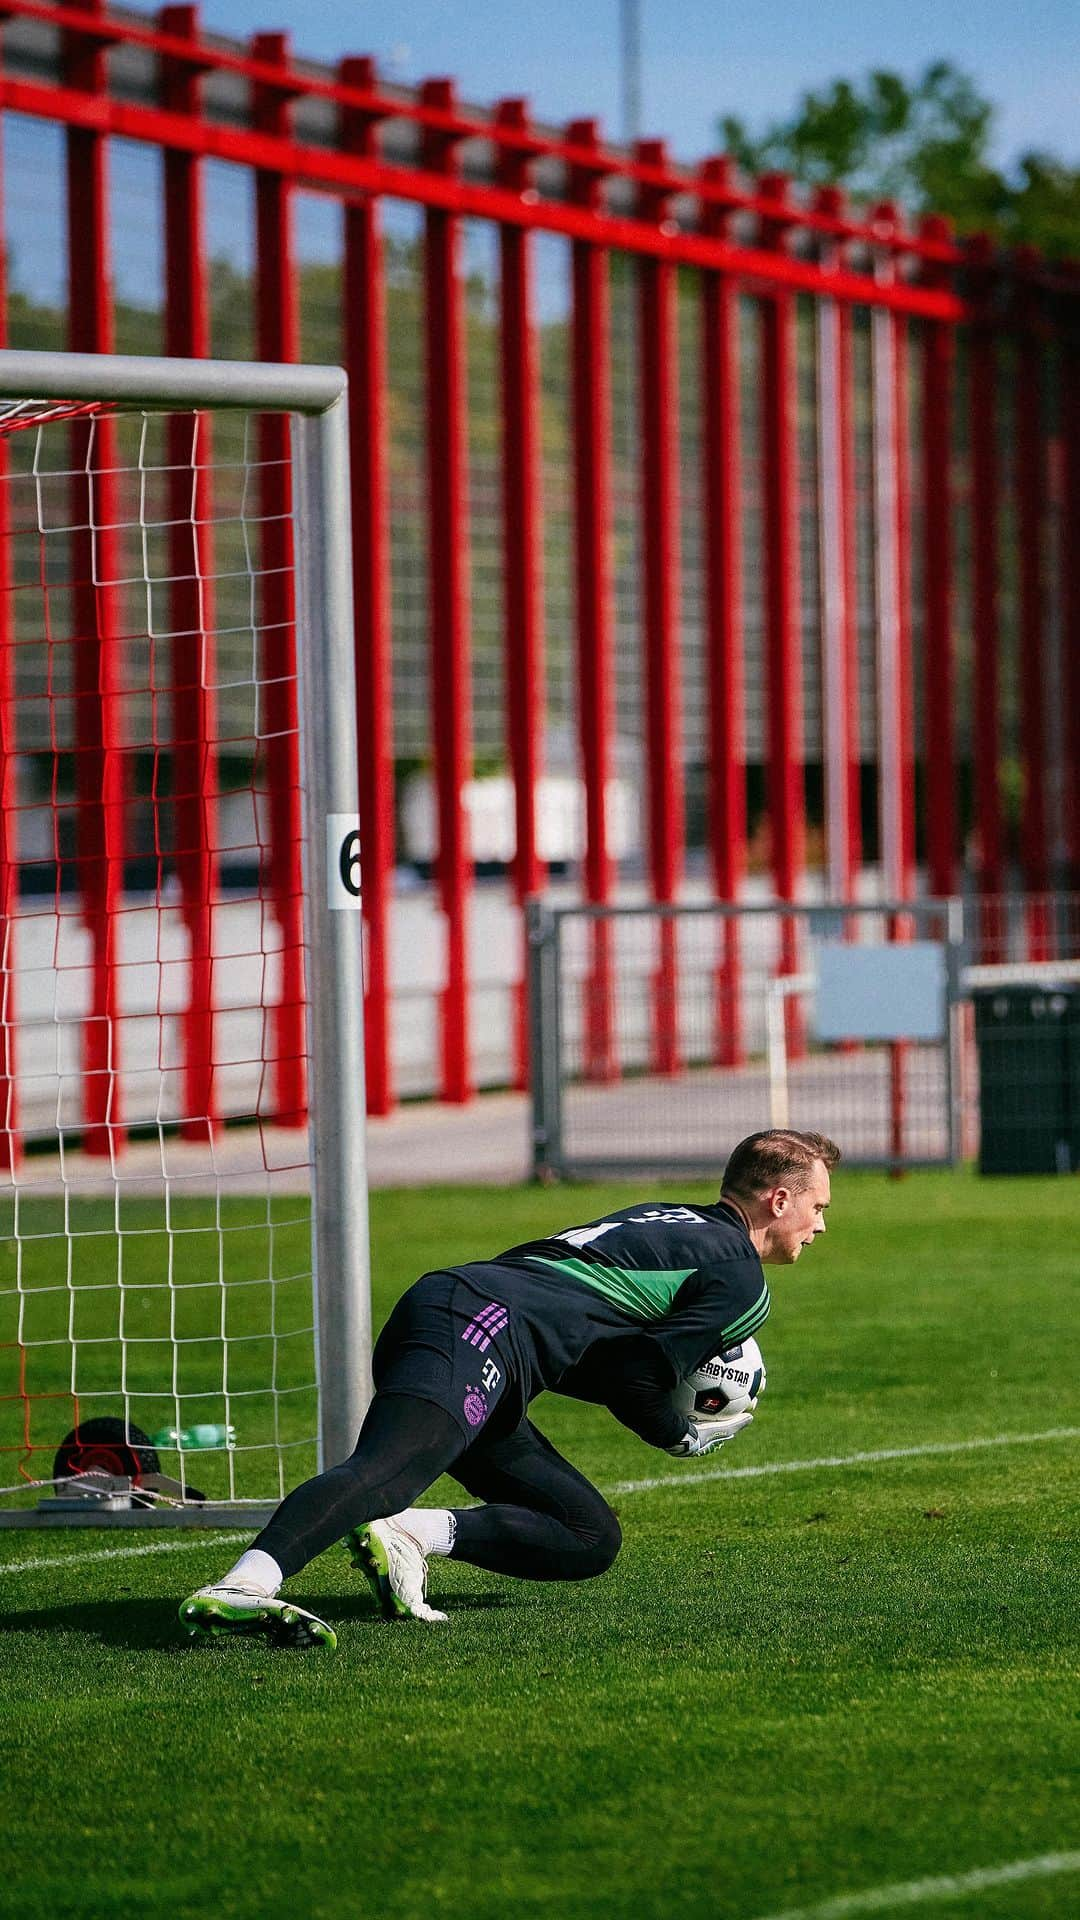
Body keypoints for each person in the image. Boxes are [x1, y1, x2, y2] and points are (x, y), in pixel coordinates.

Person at [180, 1127, 838, 1646]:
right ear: (778, 1200)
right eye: (817, 1206)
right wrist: (681, 1435)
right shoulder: (742, 1279)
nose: (821, 1225)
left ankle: (408, 1536)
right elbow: (638, 1378)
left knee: (586, 1535)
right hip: (480, 1326)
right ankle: (244, 1585)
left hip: (478, 1330)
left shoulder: (671, 1219)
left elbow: (604, 1361)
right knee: (388, 1469)